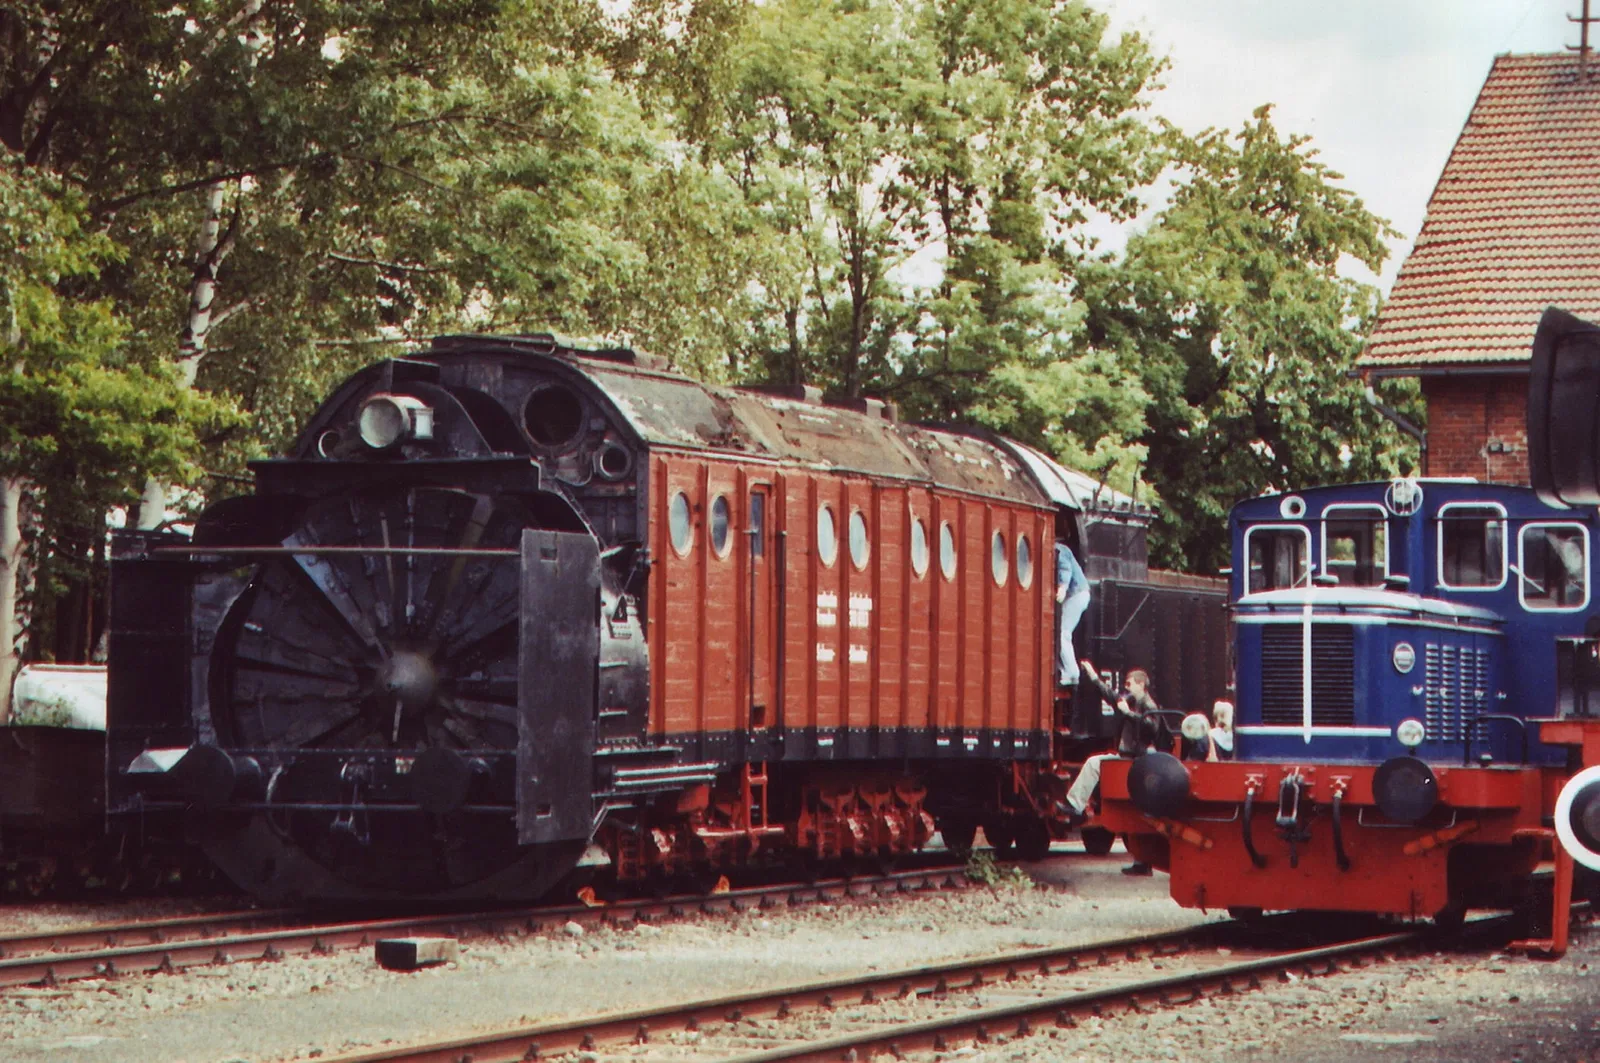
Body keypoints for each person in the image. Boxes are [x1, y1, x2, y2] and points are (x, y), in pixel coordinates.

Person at [1058, 662, 1165, 875]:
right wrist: (1093, 675)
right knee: (1093, 764)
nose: (1126, 687)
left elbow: (1152, 728)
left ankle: (1076, 807)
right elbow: (1109, 695)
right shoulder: (1132, 701)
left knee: (1137, 810)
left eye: (1129, 683)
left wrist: (1129, 714)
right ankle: (1075, 806)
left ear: (1141, 684)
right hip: (1126, 757)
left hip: (1136, 759)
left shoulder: (1148, 704)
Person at [1055, 538, 1091, 687]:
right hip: (1077, 594)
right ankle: (1064, 671)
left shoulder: (1059, 549)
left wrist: (1062, 587)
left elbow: (1065, 568)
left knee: (1063, 633)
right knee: (1060, 632)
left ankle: (1072, 672)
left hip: (1076, 594)